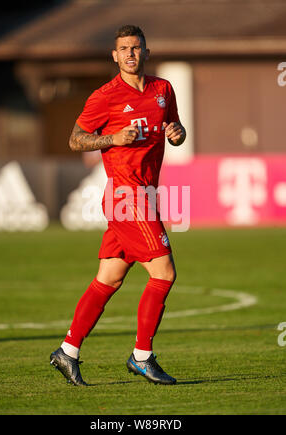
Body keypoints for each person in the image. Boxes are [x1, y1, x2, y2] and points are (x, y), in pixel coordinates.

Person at [50, 25, 186, 386]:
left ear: (146, 51)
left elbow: (176, 128)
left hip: (147, 194)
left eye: (136, 47)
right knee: (165, 273)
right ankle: (142, 357)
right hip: (127, 196)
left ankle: (68, 351)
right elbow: (75, 139)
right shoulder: (105, 96)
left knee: (108, 279)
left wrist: (178, 134)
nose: (130, 53)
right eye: (123, 48)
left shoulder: (163, 89)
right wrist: (112, 138)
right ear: (115, 55)